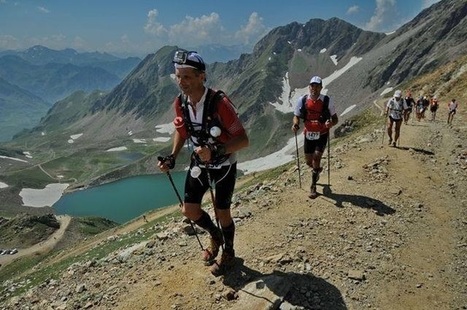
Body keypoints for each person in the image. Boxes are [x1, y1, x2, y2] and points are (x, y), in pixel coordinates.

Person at [158, 50, 249, 275]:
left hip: (225, 165)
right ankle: (215, 236)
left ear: (202, 76)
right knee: (188, 210)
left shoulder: (220, 104)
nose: (182, 82)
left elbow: (243, 140)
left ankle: (229, 251)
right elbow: (181, 131)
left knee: (222, 213)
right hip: (200, 163)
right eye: (178, 77)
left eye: (187, 76)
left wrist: (216, 150)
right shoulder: (180, 103)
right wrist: (172, 156)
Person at [291, 76, 338, 199]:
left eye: (317, 86)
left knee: (316, 158)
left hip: (322, 134)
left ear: (321, 88)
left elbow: (335, 118)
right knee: (309, 162)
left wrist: (330, 124)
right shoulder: (303, 100)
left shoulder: (327, 100)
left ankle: (313, 186)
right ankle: (316, 170)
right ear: (309, 87)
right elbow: (296, 115)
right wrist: (295, 124)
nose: (314, 89)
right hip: (308, 134)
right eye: (312, 86)